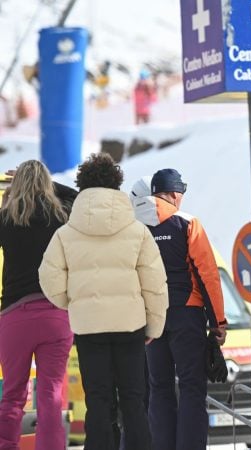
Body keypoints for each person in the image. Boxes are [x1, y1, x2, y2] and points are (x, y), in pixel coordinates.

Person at [39, 153, 168, 450]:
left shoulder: (65, 234)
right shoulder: (137, 231)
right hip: (130, 326)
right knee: (134, 400)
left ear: (82, 186)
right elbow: (155, 284)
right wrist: (154, 327)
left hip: (89, 329)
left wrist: (74, 303)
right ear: (116, 184)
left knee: (98, 400)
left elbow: (48, 277)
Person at [144, 168, 227, 450]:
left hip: (150, 319)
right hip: (186, 314)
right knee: (192, 388)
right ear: (175, 194)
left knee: (159, 388)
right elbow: (208, 275)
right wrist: (218, 322)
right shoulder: (187, 222)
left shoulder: (135, 226)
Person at [0, 161, 76, 450]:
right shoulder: (61, 217)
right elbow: (83, 197)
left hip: (14, 317)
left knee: (13, 394)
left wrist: (12, 195)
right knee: (50, 395)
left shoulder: (6, 220)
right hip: (55, 316)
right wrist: (49, 185)